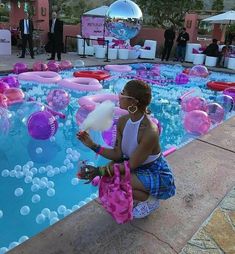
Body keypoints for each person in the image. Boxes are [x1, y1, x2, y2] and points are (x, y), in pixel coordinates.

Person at [77, 80, 176, 219]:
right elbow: (117, 154)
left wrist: (99, 171)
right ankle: (139, 193)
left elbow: (131, 165)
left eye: (123, 93)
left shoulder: (149, 131)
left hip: (156, 173)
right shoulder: (123, 121)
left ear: (133, 102)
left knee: (119, 178)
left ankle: (150, 201)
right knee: (112, 175)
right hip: (137, 168)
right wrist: (92, 145)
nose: (119, 95)